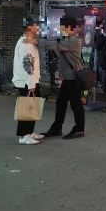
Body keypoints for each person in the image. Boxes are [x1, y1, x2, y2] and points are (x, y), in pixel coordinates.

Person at [39, 17, 85, 139]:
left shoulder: (73, 40)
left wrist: (35, 41)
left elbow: (54, 45)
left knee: (76, 104)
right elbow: (54, 42)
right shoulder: (67, 38)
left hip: (73, 77)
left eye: (62, 27)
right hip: (68, 77)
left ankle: (79, 129)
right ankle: (56, 128)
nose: (60, 29)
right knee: (61, 102)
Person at [12, 16, 45, 145]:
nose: (39, 29)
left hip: (28, 81)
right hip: (26, 82)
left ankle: (29, 132)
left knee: (32, 106)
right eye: (37, 26)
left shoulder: (27, 41)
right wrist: (31, 83)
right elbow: (28, 65)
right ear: (30, 27)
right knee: (27, 107)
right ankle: (23, 135)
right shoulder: (26, 44)